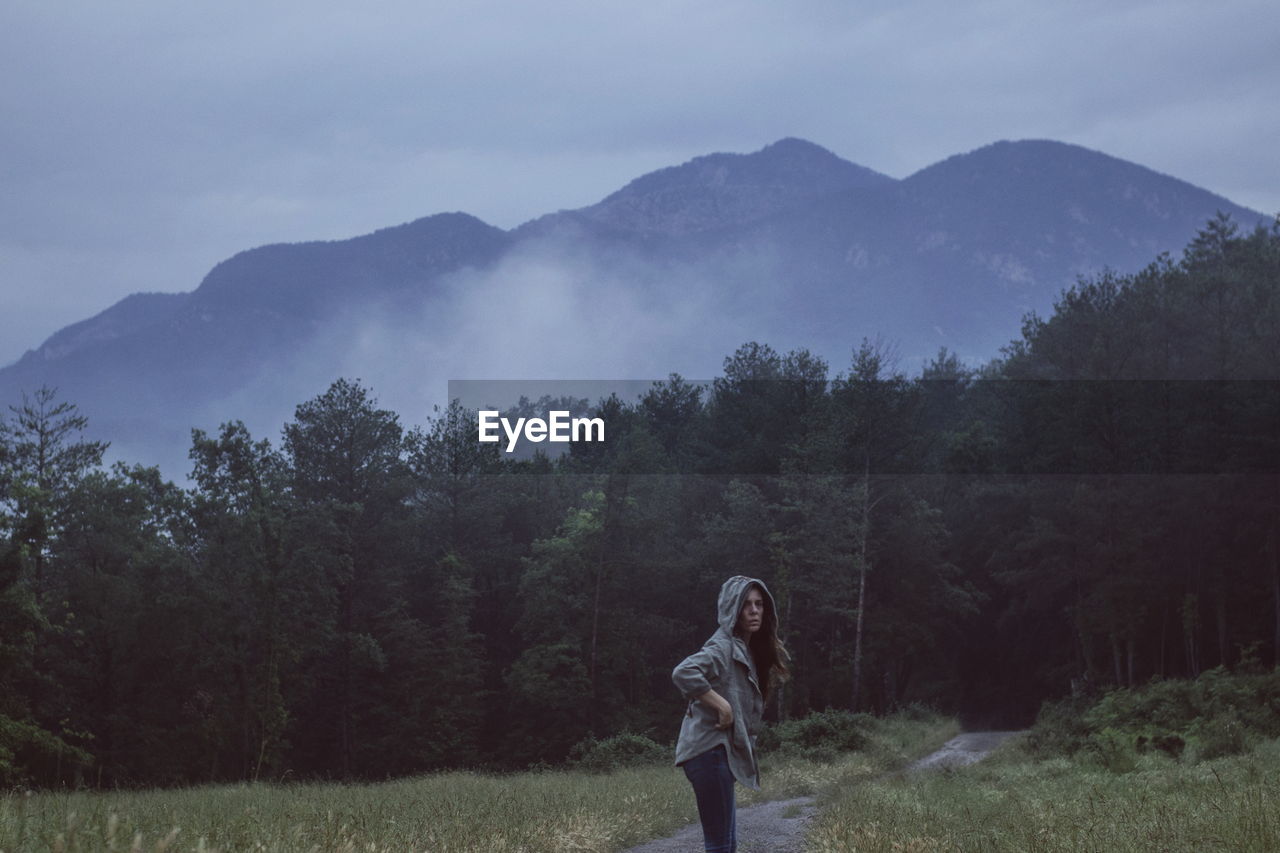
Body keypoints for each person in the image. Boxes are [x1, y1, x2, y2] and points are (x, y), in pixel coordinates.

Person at [672, 576, 789, 853]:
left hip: (716, 754)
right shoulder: (722, 646)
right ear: (731, 609)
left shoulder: (741, 647)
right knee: (720, 845)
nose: (754, 610)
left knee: (726, 843)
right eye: (745, 604)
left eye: (759, 604)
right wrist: (721, 705)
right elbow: (683, 672)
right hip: (709, 752)